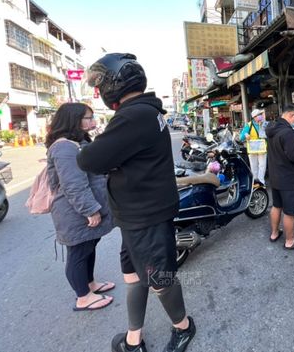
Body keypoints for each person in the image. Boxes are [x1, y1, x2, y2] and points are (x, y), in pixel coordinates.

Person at [76, 53, 195, 352]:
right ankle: (134, 338)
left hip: (146, 216)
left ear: (116, 82)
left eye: (102, 83)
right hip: (135, 216)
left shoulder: (133, 115)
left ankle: (184, 327)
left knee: (160, 278)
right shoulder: (146, 111)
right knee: (134, 278)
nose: (100, 90)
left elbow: (89, 159)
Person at [46, 103, 115, 311]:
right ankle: (83, 297)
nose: (93, 122)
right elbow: (73, 184)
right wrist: (90, 210)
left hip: (82, 210)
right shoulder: (65, 147)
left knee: (89, 246)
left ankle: (90, 284)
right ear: (74, 120)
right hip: (75, 213)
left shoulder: (77, 142)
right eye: (88, 118)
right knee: (78, 252)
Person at [266, 103, 294, 250]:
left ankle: (274, 233)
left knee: (277, 206)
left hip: (275, 175)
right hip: (288, 177)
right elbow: (293, 155)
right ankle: (290, 241)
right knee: (290, 212)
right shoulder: (288, 132)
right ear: (291, 115)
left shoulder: (272, 128)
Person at [240, 108, 268, 184]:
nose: (260, 116)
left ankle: (261, 182)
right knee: (254, 167)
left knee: (262, 166)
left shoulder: (265, 124)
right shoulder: (249, 125)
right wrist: (246, 135)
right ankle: (255, 182)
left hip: (262, 149)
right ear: (254, 117)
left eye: (260, 114)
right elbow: (241, 137)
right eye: (258, 115)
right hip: (252, 149)